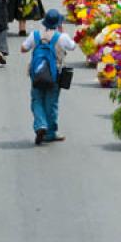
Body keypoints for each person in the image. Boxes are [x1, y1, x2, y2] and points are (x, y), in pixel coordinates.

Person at [21, 9, 76, 144]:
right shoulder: (62, 37)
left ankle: (40, 125)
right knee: (51, 104)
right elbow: (73, 46)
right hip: (54, 75)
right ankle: (50, 133)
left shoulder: (35, 35)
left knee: (37, 100)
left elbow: (23, 48)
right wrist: (62, 32)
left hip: (37, 75)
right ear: (58, 23)